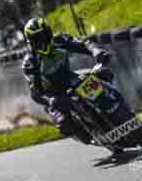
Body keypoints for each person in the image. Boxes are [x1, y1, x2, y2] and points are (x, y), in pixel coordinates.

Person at [22, 17, 112, 145]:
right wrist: (50, 100)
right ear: (30, 41)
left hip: (71, 78)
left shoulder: (59, 40)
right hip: (54, 95)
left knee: (104, 74)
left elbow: (83, 44)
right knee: (64, 124)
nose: (42, 41)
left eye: (44, 35)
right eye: (37, 39)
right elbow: (35, 92)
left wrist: (96, 51)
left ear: (49, 32)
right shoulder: (30, 62)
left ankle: (114, 109)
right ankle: (89, 135)